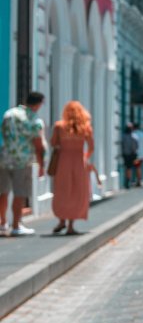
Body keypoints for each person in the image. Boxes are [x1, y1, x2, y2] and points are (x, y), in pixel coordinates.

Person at [0, 91, 46, 237]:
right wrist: (41, 165)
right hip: (22, 160)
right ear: (38, 104)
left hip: (4, 158)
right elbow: (38, 145)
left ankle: (2, 223)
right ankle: (16, 225)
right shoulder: (34, 120)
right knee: (20, 193)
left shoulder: (9, 114)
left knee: (3, 192)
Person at [49, 101, 94, 235]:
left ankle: (62, 220)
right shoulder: (86, 127)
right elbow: (91, 147)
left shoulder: (59, 126)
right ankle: (70, 225)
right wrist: (85, 156)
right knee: (77, 191)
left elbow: (53, 143)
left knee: (62, 190)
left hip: (63, 161)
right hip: (79, 162)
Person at [121, 123, 139, 189]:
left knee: (128, 168)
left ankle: (128, 181)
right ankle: (129, 181)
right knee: (130, 168)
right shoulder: (134, 136)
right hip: (131, 155)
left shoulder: (124, 136)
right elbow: (136, 147)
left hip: (127, 154)